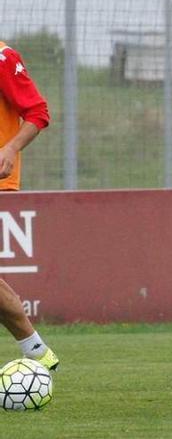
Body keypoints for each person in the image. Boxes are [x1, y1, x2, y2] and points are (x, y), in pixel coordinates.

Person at [0, 41, 58, 371]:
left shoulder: (3, 57)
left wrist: (9, 149)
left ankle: (36, 350)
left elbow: (37, 112)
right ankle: (37, 352)